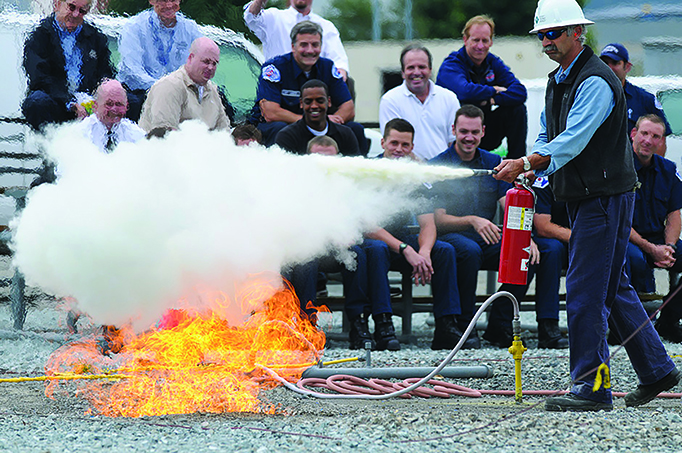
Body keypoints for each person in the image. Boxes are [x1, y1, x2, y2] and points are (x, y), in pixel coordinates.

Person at [494, 0, 680, 411]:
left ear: (578, 32)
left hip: (603, 197)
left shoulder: (595, 80)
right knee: (612, 288)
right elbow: (550, 135)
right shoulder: (560, 79)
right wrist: (531, 166)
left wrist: (527, 163)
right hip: (591, 196)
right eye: (542, 34)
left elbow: (575, 138)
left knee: (583, 290)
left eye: (554, 33)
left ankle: (593, 387)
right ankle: (657, 369)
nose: (546, 41)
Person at [430, 105, 538, 349]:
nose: (469, 137)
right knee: (469, 251)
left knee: (527, 256)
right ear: (453, 130)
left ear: (483, 132)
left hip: (488, 236)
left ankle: (499, 324)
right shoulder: (439, 165)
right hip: (451, 236)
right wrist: (472, 220)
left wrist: (525, 238)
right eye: (463, 131)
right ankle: (465, 325)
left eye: (475, 132)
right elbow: (437, 220)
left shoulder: (494, 162)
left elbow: (509, 205)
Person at [359, 118, 464, 351]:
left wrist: (424, 253)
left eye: (405, 145)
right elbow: (368, 226)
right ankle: (383, 325)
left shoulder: (416, 177)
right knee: (375, 250)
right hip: (377, 239)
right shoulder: (368, 173)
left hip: (402, 239)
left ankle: (446, 325)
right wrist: (406, 250)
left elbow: (428, 224)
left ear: (412, 147)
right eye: (394, 143)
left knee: (444, 250)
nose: (399, 149)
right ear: (383, 143)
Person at [249, 21, 365, 152]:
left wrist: (327, 123)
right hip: (283, 127)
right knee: (279, 128)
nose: (310, 50)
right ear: (293, 46)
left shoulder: (328, 67)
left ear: (321, 47)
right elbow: (270, 112)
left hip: (319, 125)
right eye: (304, 45)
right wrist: (310, 122)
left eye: (315, 45)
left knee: (355, 129)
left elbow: (348, 108)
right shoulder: (274, 68)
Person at [436, 15, 527, 159]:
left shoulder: (492, 62)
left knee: (517, 109)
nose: (480, 46)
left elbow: (520, 92)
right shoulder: (451, 64)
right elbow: (465, 91)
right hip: (455, 134)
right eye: (475, 40)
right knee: (465, 105)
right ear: (465, 40)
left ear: (491, 41)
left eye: (485, 40)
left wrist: (491, 100)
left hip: (482, 131)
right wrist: (494, 90)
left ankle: (516, 165)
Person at [625, 114, 682, 342]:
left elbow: (674, 214)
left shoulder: (668, 170)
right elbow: (619, 221)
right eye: (645, 133)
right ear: (633, 135)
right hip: (627, 239)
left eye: (655, 136)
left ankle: (667, 320)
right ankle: (626, 329)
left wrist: (668, 247)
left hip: (659, 239)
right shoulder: (619, 168)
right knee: (633, 260)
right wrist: (651, 249)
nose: (649, 140)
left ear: (661, 142)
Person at [22, 0, 114, 130]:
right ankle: (48, 146)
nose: (76, 14)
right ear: (57, 4)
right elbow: (40, 78)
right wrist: (70, 103)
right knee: (36, 101)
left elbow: (106, 74)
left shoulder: (96, 37)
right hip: (56, 101)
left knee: (129, 101)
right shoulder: (39, 36)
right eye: (71, 7)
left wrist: (100, 100)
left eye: (82, 11)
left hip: (90, 103)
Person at [117, 0, 203, 121]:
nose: (168, 5)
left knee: (218, 100)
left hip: (180, 92)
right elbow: (133, 71)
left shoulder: (191, 29)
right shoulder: (134, 27)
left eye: (173, 0)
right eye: (162, 0)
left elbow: (201, 65)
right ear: (151, 1)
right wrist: (165, 89)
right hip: (141, 92)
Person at [379, 44, 460, 160]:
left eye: (422, 67)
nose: (416, 72)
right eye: (411, 67)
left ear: (430, 70)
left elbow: (454, 143)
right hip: (407, 172)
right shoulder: (390, 100)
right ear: (402, 72)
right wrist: (423, 169)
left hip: (443, 172)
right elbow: (394, 146)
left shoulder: (449, 98)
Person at [139, 37, 230, 132]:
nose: (211, 67)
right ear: (190, 58)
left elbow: (224, 132)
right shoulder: (169, 86)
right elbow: (165, 135)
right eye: (206, 62)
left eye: (214, 63)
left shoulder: (212, 90)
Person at [243, 0, 349, 80]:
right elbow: (250, 16)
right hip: (278, 91)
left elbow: (339, 64)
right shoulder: (274, 17)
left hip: (313, 96)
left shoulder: (327, 27)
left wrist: (336, 88)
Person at [599, 43, 673, 156]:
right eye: (605, 63)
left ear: (627, 67)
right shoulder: (590, 97)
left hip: (633, 169)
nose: (609, 68)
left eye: (615, 63)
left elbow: (660, 139)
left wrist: (652, 170)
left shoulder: (644, 99)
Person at [275, 79, 359, 156]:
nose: (314, 106)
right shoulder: (287, 137)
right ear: (301, 103)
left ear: (329, 102)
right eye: (308, 101)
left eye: (320, 101)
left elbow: (354, 167)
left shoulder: (345, 134)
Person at [79, 79, 146, 153]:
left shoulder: (136, 135)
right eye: (109, 104)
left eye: (119, 104)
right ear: (95, 106)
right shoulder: (81, 134)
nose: (114, 109)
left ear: (126, 106)